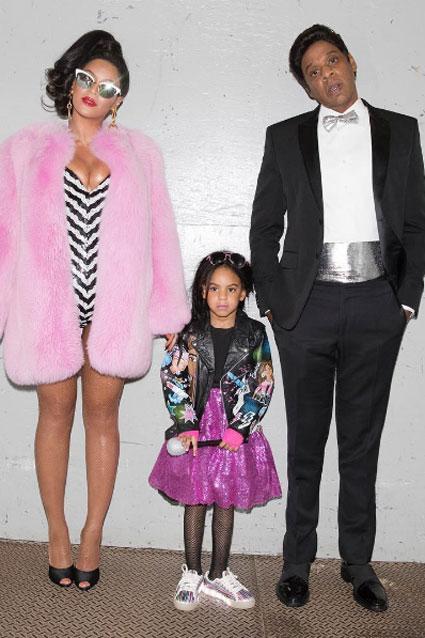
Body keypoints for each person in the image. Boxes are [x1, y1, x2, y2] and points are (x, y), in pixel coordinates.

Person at [0, 30, 189, 590]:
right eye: (87, 78)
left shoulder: (142, 154)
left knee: (103, 418)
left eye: (108, 87)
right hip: (47, 310)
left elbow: (161, 236)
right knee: (54, 416)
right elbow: (4, 237)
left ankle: (91, 534)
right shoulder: (24, 148)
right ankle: (57, 532)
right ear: (71, 80)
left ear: (118, 100)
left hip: (115, 312)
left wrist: (168, 316)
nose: (93, 91)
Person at [250, 24, 425, 612]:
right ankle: (296, 562)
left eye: (332, 62)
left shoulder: (402, 131)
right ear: (307, 87)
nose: (327, 75)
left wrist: (405, 300)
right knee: (305, 441)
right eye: (313, 72)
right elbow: (264, 229)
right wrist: (274, 304)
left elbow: (417, 222)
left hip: (378, 303)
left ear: (351, 61)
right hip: (307, 307)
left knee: (361, 441)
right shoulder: (284, 138)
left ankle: (358, 563)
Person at [149, 251, 281, 611]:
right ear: (203, 292)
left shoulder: (255, 334)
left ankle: (219, 573)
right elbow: (173, 377)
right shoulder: (188, 333)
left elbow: (264, 382)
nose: (222, 297)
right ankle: (192, 572)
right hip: (197, 427)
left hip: (233, 428)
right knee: (195, 497)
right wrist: (186, 423)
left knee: (226, 497)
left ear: (243, 293)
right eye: (214, 289)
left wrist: (241, 427)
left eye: (231, 289)